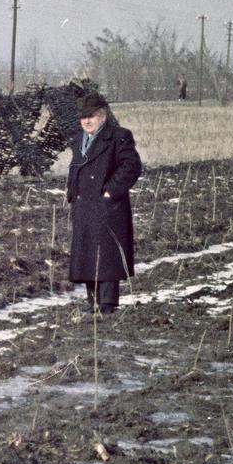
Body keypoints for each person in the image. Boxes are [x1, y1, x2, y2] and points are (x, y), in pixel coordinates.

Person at [66, 92, 141, 314]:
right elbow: (75, 167)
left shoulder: (119, 136)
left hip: (107, 206)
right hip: (84, 205)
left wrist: (110, 192)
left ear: (103, 116)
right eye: (83, 117)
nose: (86, 121)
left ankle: (107, 304)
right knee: (87, 254)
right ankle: (93, 303)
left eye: (91, 116)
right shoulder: (79, 139)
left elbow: (131, 167)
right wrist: (71, 191)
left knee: (106, 255)